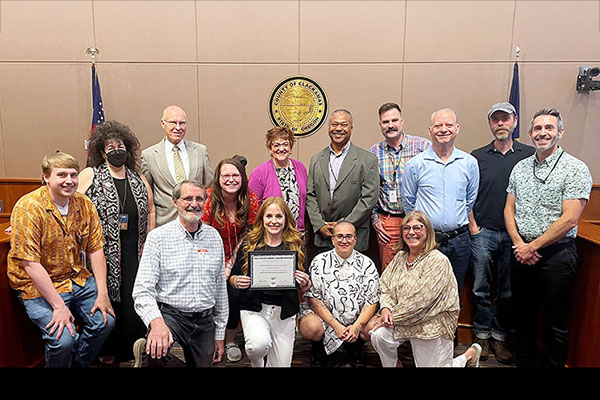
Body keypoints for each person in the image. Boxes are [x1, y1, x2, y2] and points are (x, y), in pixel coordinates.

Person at [7, 151, 115, 367]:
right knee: (63, 339)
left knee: (105, 322)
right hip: (37, 285)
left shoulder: (84, 204)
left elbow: (96, 249)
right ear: (46, 177)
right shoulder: (29, 207)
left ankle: (79, 364)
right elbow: (30, 263)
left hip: (75, 278)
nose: (69, 181)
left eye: (73, 175)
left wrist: (102, 293)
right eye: (61, 175)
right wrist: (58, 306)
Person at [504, 107, 592, 368]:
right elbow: (509, 208)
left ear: (560, 132)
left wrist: (532, 246)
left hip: (557, 255)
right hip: (521, 252)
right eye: (538, 129)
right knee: (523, 318)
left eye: (549, 128)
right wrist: (520, 245)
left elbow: (570, 219)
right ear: (530, 133)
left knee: (556, 322)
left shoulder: (575, 168)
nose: (543, 133)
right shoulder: (520, 168)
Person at [77, 120, 155, 364]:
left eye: (120, 145)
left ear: (127, 148)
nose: (116, 150)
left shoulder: (138, 177)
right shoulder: (91, 175)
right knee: (109, 297)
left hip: (134, 249)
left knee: (132, 298)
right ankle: (107, 350)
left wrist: (149, 241)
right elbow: (74, 204)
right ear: (102, 152)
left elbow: (151, 209)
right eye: (110, 147)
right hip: (101, 251)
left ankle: (132, 349)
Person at [132, 180, 228, 367]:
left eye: (199, 199)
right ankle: (146, 352)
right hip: (171, 316)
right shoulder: (158, 238)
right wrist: (156, 323)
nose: (194, 204)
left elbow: (220, 291)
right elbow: (142, 290)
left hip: (204, 320)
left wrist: (220, 335)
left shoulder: (214, 237)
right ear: (175, 201)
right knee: (154, 356)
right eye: (188, 198)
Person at [369, 211, 482, 367]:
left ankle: (468, 356)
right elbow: (385, 286)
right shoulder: (400, 257)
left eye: (417, 228)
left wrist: (390, 317)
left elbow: (420, 302)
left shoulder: (438, 260)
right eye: (407, 228)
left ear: (428, 232)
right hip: (402, 318)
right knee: (379, 335)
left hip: (431, 322)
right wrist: (386, 308)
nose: (411, 232)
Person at [468, 102, 535, 364]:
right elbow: (468, 193)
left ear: (515, 121)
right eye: (495, 120)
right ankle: (481, 336)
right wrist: (473, 226)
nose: (500, 124)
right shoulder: (477, 156)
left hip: (516, 236)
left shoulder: (529, 155)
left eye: (505, 119)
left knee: (507, 290)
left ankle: (499, 338)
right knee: (480, 288)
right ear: (490, 124)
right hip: (483, 232)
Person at [402, 108, 479, 296]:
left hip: (459, 240)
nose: (443, 129)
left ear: (457, 128)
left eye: (448, 125)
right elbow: (408, 203)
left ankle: (450, 328)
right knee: (423, 294)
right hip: (427, 240)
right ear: (430, 130)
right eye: (438, 125)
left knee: (454, 293)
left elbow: (470, 200)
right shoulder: (416, 164)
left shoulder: (469, 163)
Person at [228, 197, 311, 367]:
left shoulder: (296, 245)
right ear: (262, 219)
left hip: (285, 312)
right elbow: (233, 277)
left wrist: (305, 282)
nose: (274, 221)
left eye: (279, 216)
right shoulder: (249, 243)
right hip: (254, 309)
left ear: (286, 219)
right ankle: (258, 365)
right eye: (269, 216)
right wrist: (237, 281)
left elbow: (306, 281)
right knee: (257, 346)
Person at [298, 221, 380, 367]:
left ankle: (355, 349)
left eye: (349, 236)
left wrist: (356, 326)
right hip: (326, 319)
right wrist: (336, 325)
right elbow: (314, 299)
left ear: (355, 240)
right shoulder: (319, 262)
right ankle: (318, 351)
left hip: (357, 318)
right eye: (340, 236)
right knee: (310, 327)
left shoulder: (367, 264)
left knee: (374, 327)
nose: (344, 240)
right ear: (333, 239)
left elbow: (372, 301)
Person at [202, 157, 260, 362]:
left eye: (236, 175)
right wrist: (219, 267)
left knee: (235, 292)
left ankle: (230, 340)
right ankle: (206, 339)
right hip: (208, 256)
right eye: (225, 175)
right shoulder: (207, 198)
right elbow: (203, 236)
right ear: (218, 178)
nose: (231, 179)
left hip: (239, 257)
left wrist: (230, 267)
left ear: (243, 178)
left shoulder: (250, 199)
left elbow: (249, 236)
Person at [306, 109, 380, 254]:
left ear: (351, 129)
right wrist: (320, 224)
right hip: (323, 236)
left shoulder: (367, 160)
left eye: (344, 125)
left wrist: (343, 226)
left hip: (354, 236)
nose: (338, 128)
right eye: (334, 124)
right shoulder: (316, 159)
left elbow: (369, 199)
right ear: (328, 128)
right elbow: (310, 195)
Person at [369, 102, 430, 270]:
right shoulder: (373, 153)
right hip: (389, 221)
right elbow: (370, 191)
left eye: (394, 120)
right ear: (380, 125)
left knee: (419, 269)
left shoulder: (423, 147)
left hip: (418, 220)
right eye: (385, 122)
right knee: (391, 272)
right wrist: (375, 220)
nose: (390, 125)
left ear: (402, 121)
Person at [142, 105, 214, 226]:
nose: (178, 127)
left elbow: (210, 187)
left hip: (196, 223)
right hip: (164, 224)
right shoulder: (149, 156)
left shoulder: (200, 151)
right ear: (163, 123)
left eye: (182, 123)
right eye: (173, 123)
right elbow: (147, 196)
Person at [249, 126, 308, 232]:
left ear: (291, 147)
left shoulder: (300, 167)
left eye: (285, 144)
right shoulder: (260, 173)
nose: (281, 149)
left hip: (297, 233)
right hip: (270, 234)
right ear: (270, 148)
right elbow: (252, 208)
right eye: (276, 145)